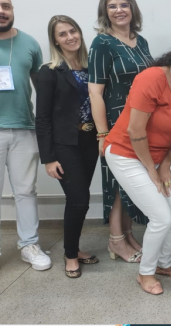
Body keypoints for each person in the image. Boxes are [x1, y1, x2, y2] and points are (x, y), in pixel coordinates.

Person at [104, 32, 171, 294]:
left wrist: (165, 164)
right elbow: (135, 130)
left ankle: (163, 263)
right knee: (161, 217)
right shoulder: (152, 78)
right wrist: (152, 170)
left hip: (160, 157)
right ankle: (145, 273)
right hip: (127, 154)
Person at [88, 0, 153, 263]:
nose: (119, 10)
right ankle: (115, 240)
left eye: (124, 5)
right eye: (112, 6)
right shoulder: (102, 43)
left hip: (141, 123)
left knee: (131, 181)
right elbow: (95, 92)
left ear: (132, 8)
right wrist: (103, 133)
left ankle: (127, 234)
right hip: (116, 123)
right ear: (105, 12)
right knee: (116, 182)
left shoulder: (141, 41)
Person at [35, 15, 100, 278]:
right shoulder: (49, 71)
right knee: (78, 200)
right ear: (55, 41)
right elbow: (42, 118)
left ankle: (74, 248)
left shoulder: (91, 67)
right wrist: (48, 158)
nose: (70, 37)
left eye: (73, 31)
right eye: (62, 34)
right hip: (65, 144)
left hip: (90, 141)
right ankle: (70, 255)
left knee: (80, 201)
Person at [0, 0, 52, 270]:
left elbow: (42, 90)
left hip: (23, 128)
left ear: (12, 9)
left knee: (26, 191)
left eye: (5, 5)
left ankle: (29, 245)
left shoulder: (30, 43)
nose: (2, 11)